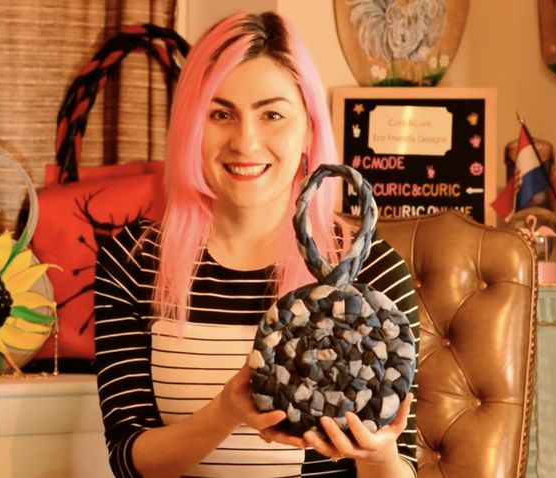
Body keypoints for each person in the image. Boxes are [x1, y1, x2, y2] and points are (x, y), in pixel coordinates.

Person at [93, 11, 418, 478]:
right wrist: (227, 411)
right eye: (220, 114)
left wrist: (378, 453)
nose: (245, 142)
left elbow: (401, 463)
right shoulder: (133, 262)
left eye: (272, 115)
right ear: (190, 125)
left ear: (308, 128)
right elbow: (129, 460)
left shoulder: (370, 270)